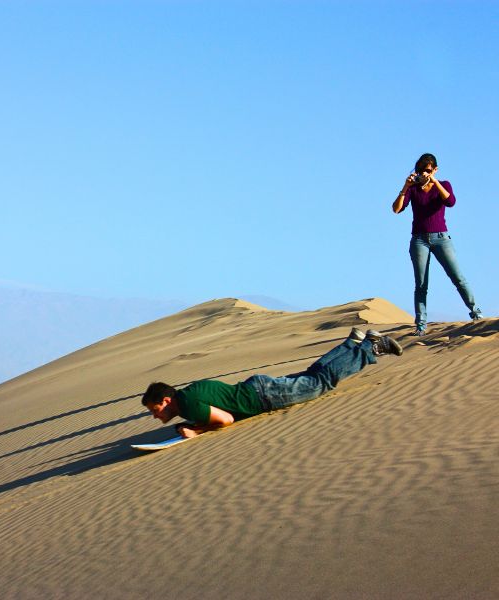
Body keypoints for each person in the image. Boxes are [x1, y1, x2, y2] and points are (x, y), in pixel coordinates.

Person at [142, 329, 402, 438]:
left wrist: (196, 431)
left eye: (155, 410)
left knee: (321, 381)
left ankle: (371, 347)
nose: (155, 417)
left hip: (264, 397)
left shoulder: (187, 406)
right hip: (259, 388)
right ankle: (352, 344)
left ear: (166, 400)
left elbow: (226, 420)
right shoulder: (189, 394)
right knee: (312, 376)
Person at [392, 152, 482, 336]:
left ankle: (476, 313)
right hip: (419, 240)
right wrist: (405, 186)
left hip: (441, 238)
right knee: (421, 284)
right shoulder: (413, 189)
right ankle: (421, 324)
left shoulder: (444, 185)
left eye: (427, 170)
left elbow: (450, 201)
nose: (423, 174)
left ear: (434, 170)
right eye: (420, 170)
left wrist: (435, 181)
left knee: (458, 277)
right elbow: (396, 209)